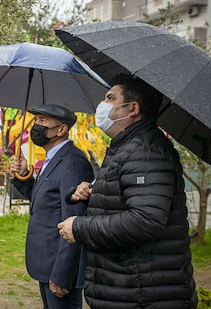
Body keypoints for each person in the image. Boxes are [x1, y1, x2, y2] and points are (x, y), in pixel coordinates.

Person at [57, 74, 197, 308]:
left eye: (110, 98)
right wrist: (93, 190)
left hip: (142, 293)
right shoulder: (129, 147)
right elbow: (129, 196)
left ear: (132, 108)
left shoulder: (146, 151)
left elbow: (145, 220)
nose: (103, 104)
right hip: (127, 286)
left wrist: (80, 228)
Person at [10, 104, 93, 309]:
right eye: (36, 120)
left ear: (62, 129)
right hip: (46, 264)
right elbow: (46, 200)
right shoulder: (52, 158)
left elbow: (74, 223)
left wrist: (62, 274)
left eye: (43, 121)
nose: (36, 126)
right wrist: (22, 176)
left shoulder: (72, 162)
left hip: (59, 269)